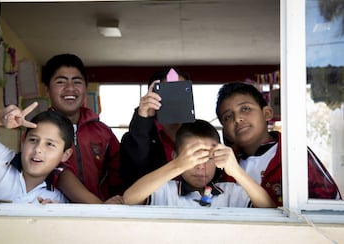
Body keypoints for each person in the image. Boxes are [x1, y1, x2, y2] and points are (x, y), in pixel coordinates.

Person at [215, 81, 342, 206]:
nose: (237, 119)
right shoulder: (223, 166)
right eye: (228, 117)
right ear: (225, 130)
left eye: (245, 109)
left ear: (267, 113)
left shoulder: (293, 153)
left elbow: (331, 207)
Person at [122, 120, 276, 208]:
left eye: (208, 158)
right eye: (192, 158)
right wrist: (177, 166)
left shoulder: (232, 193)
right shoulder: (165, 191)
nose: (201, 166)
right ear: (175, 157)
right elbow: (129, 199)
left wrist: (236, 171)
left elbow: (269, 209)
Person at [41, 53, 123, 203]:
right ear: (47, 89)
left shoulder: (103, 132)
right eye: (61, 82)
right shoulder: (38, 129)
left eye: (77, 82)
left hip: (100, 215)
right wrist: (99, 208)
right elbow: (55, 172)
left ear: (85, 87)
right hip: (54, 212)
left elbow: (119, 175)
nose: (70, 88)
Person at [120, 68, 190, 189]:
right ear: (153, 95)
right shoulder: (135, 137)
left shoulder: (200, 132)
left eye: (181, 90)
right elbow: (133, 172)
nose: (175, 99)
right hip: (150, 203)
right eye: (169, 92)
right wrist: (143, 119)